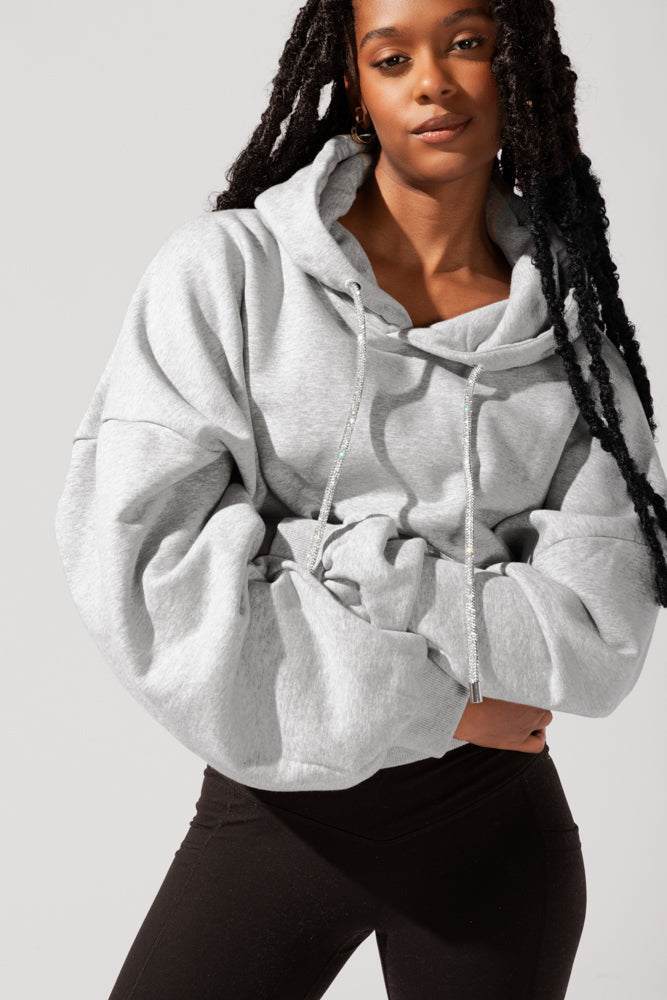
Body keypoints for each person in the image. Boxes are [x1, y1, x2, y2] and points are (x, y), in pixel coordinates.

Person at [54, 0, 667, 997]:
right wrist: (452, 707)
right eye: (392, 57)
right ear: (355, 83)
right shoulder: (229, 274)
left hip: (496, 839)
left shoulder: (571, 341)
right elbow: (147, 574)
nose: (431, 81)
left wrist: (331, 562)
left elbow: (598, 639)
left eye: (466, 44)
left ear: (517, 66)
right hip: (278, 811)